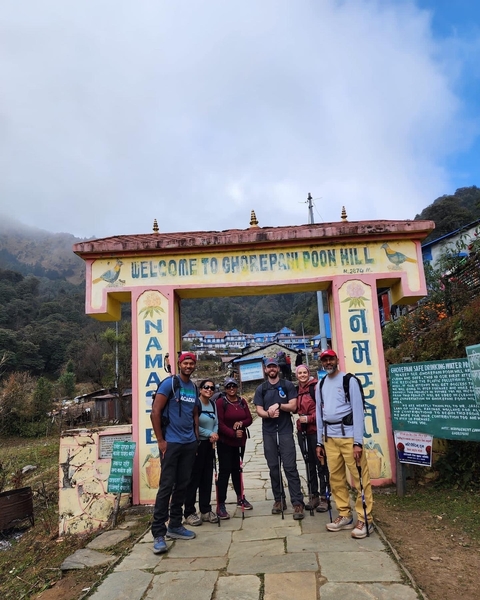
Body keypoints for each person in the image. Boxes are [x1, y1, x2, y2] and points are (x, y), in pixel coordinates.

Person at [315, 349, 374, 539]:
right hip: (329, 439)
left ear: (337, 360)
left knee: (359, 478)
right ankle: (344, 514)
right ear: (322, 362)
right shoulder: (321, 384)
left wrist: (358, 442)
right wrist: (319, 442)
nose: (328, 362)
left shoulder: (349, 381)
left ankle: (366, 519)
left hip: (348, 438)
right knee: (336, 478)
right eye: (325, 360)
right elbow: (319, 414)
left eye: (331, 359)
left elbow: (358, 411)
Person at [150, 352, 201, 554]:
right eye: (185, 363)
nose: (188, 366)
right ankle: (158, 534)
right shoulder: (169, 384)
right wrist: (161, 441)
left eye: (192, 363)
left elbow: (194, 413)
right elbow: (155, 411)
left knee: (182, 485)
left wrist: (196, 439)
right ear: (180, 364)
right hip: (171, 443)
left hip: (189, 443)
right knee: (166, 487)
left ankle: (176, 525)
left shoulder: (193, 387)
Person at [253, 357, 305, 520]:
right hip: (268, 432)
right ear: (265, 369)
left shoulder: (287, 385)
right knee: (273, 467)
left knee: (290, 467)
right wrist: (268, 413)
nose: (272, 369)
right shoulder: (261, 389)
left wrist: (279, 406)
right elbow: (258, 410)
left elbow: (293, 406)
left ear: (278, 368)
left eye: (274, 366)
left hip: (284, 431)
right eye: (269, 367)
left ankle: (297, 502)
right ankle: (279, 499)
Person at [215, 377, 253, 519]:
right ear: (225, 388)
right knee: (225, 472)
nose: (231, 388)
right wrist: (232, 433)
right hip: (225, 442)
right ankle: (221, 504)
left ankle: (240, 497)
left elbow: (249, 419)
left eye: (234, 386)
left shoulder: (242, 401)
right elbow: (219, 423)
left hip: (240, 442)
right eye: (228, 386)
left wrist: (241, 423)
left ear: (237, 387)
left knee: (238, 470)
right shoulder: (220, 403)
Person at [183, 379, 219, 526]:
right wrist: (210, 433)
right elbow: (193, 424)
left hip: (209, 445)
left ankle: (205, 510)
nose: (209, 390)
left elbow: (216, 422)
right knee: (193, 479)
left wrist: (214, 434)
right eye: (206, 387)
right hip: (197, 444)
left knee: (206, 478)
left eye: (212, 387)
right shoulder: (195, 403)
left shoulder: (213, 404)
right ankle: (189, 512)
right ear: (200, 389)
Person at [295, 364, 329, 512]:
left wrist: (309, 419)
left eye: (304, 372)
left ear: (308, 373)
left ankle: (324, 497)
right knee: (309, 464)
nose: (302, 375)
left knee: (321, 464)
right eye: (299, 373)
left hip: (316, 431)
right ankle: (313, 495)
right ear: (296, 375)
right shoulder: (298, 390)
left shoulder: (315, 387)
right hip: (303, 432)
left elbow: (324, 410)